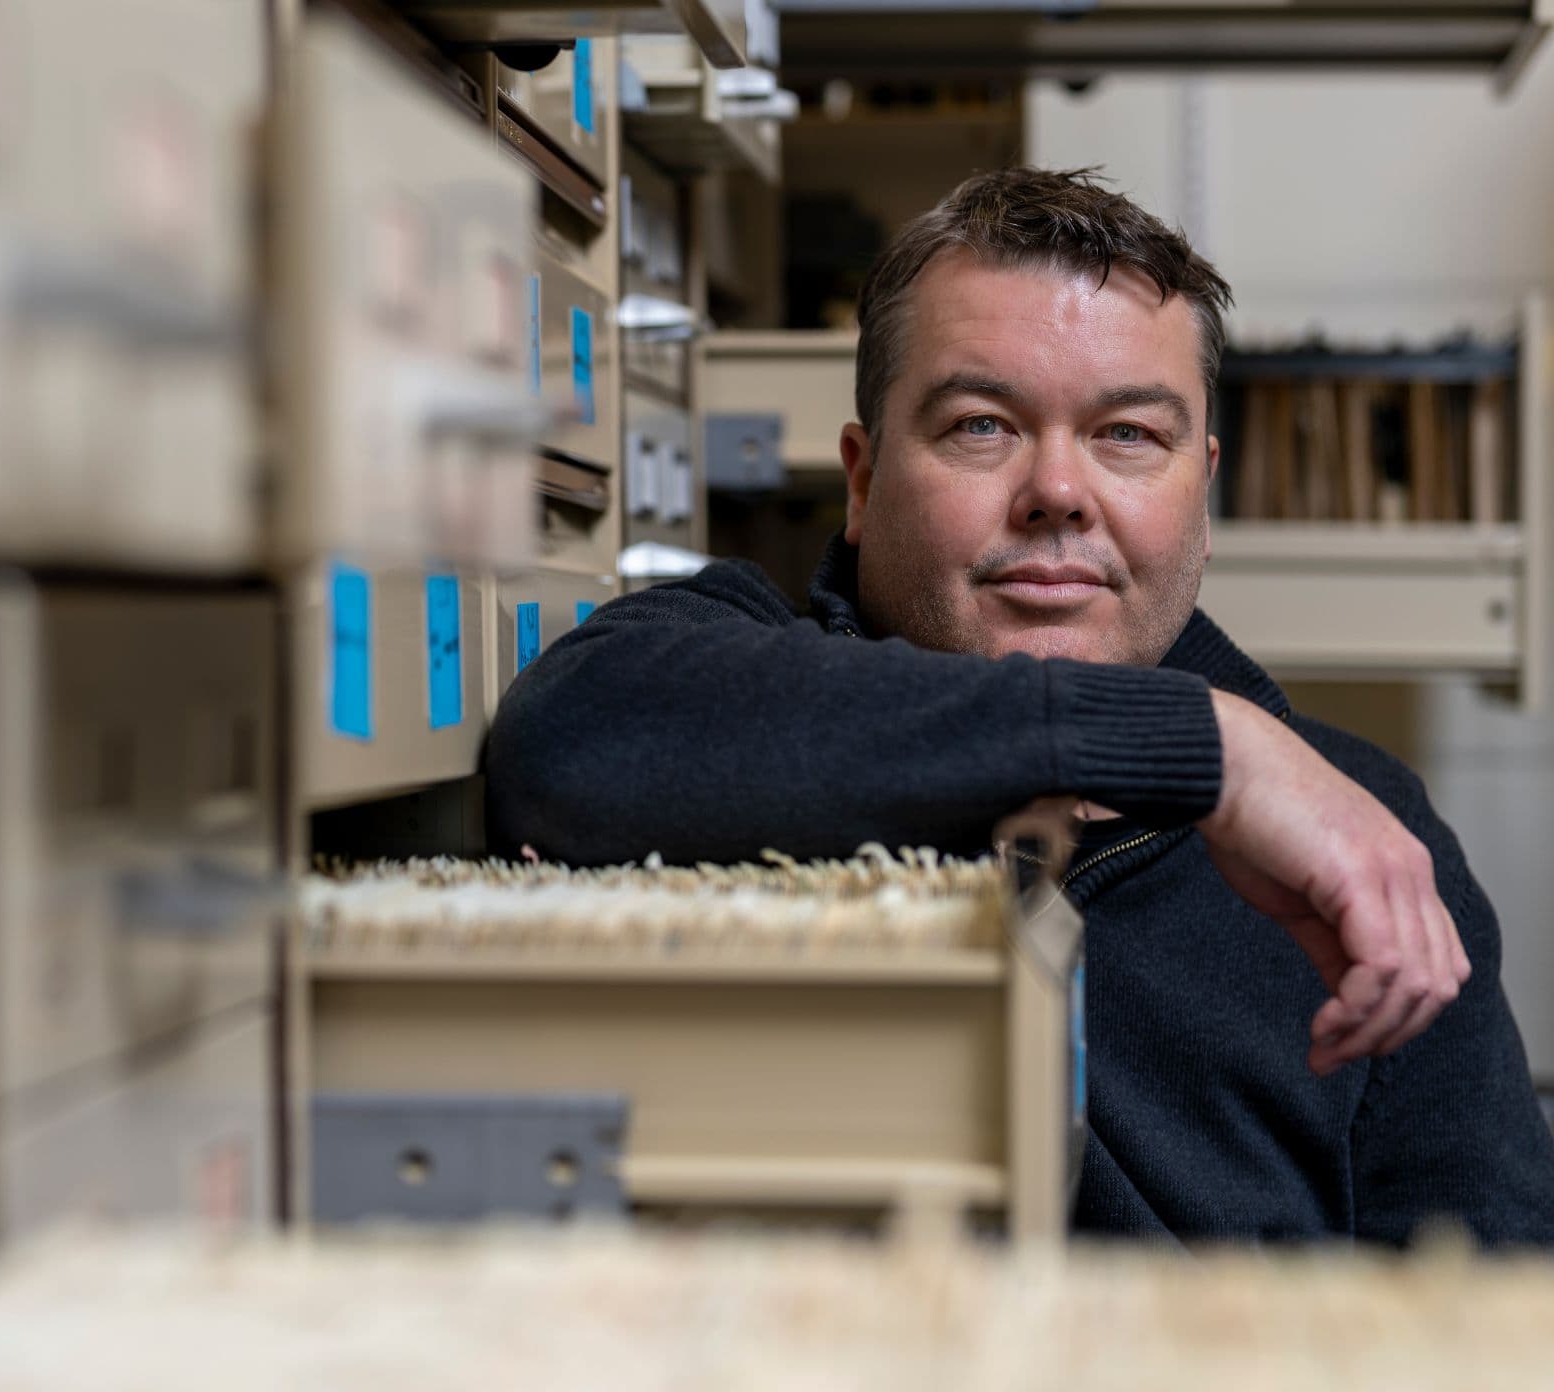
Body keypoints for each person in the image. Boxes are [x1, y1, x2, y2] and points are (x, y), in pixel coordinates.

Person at [485, 167, 1554, 1245]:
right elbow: (566, 739)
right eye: (980, 426)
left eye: (1127, 435)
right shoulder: (727, 678)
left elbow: (1495, 1295)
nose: (1056, 490)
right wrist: (1203, 748)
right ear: (859, 483)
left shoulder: (1364, 840)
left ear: (1202, 496)